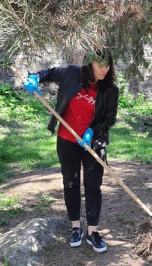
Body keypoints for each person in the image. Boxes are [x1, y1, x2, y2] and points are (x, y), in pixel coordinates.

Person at [23, 49, 119, 253]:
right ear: (89, 64)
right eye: (100, 65)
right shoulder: (71, 74)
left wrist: (92, 132)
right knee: (71, 183)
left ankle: (93, 232)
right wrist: (34, 78)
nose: (105, 69)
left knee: (93, 186)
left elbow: (110, 119)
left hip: (93, 143)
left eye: (108, 66)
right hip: (67, 140)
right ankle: (76, 227)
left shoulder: (111, 90)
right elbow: (47, 73)